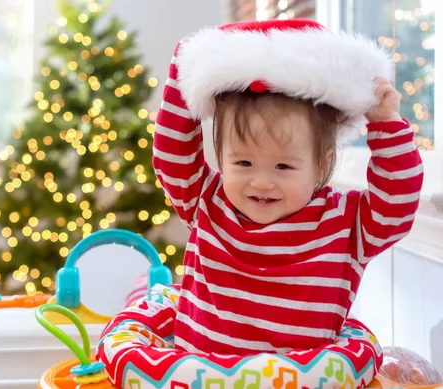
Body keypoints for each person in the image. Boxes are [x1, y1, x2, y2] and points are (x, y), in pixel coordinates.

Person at [97, 19, 424, 389]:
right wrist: (184, 72)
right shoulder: (208, 201)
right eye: (242, 163)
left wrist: (386, 126)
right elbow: (172, 156)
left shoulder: (345, 223)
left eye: (284, 166)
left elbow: (395, 204)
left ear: (323, 161)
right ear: (221, 157)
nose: (262, 181)